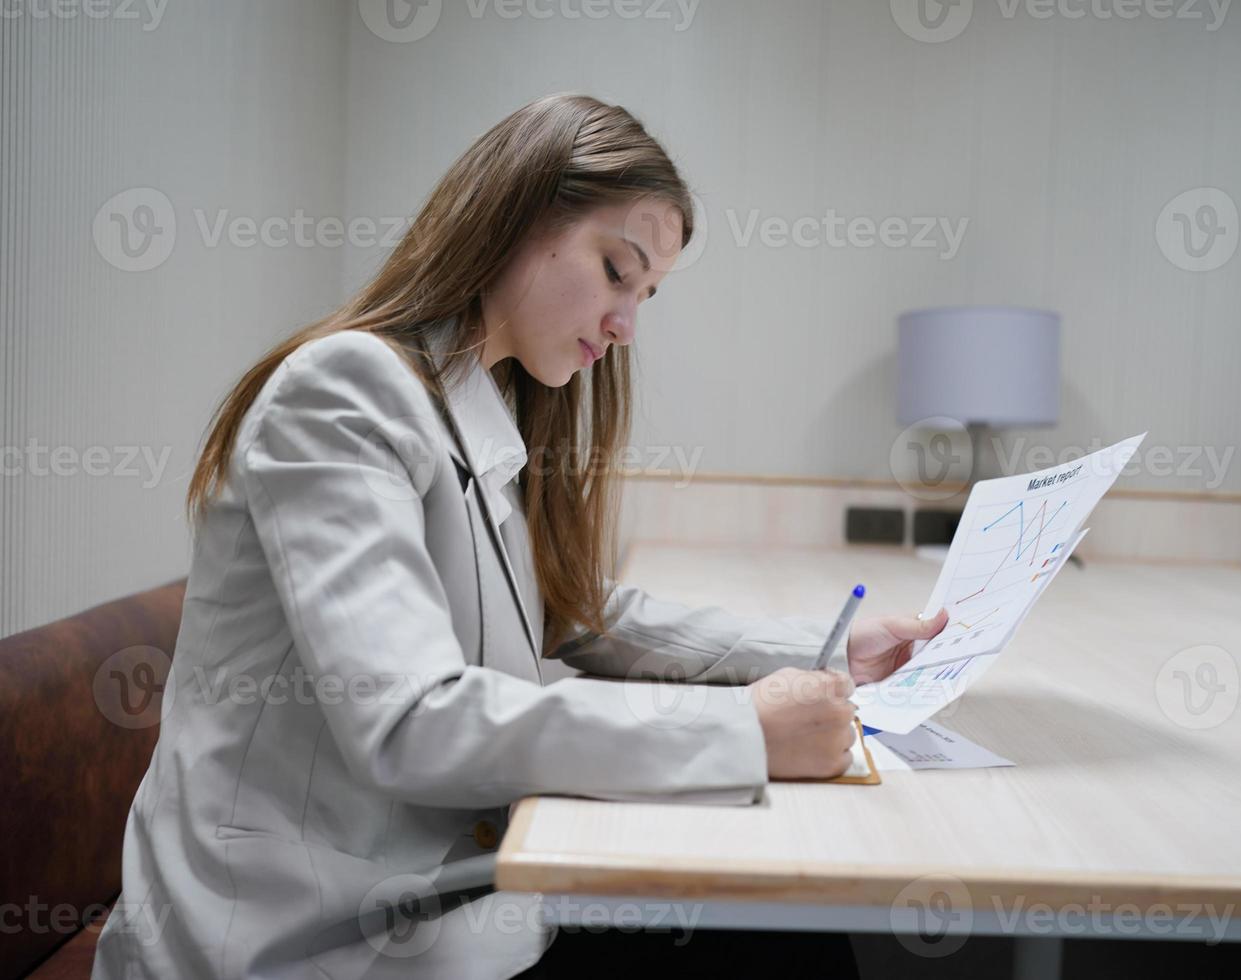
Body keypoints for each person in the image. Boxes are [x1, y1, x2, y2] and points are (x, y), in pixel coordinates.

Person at [92, 93, 949, 979]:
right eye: (618, 271)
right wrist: (739, 730)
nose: (625, 327)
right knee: (779, 949)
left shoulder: (483, 406)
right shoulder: (345, 392)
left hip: (426, 895)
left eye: (645, 295)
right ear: (517, 216)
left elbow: (573, 613)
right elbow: (410, 722)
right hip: (287, 933)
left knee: (779, 939)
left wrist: (831, 648)